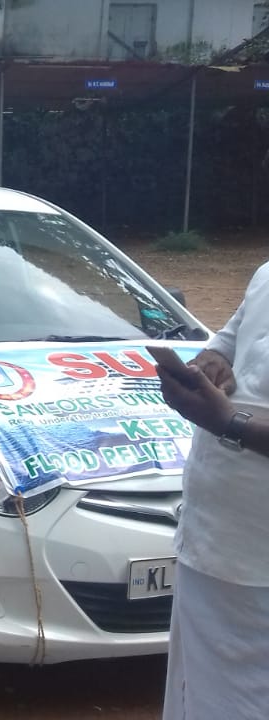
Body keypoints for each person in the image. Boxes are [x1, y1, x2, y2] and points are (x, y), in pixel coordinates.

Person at [155, 261, 269, 719]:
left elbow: (229, 416)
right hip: (209, 545)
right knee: (197, 697)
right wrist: (210, 362)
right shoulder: (266, 275)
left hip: (259, 570)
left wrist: (227, 422)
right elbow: (226, 344)